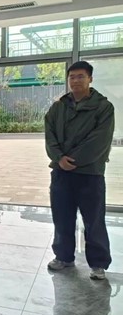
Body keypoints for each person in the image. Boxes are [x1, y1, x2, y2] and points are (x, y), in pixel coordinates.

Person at [45, 60, 114, 281]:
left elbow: (99, 140)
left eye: (81, 76)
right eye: (72, 77)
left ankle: (98, 263)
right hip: (61, 173)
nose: (75, 81)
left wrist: (71, 160)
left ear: (90, 79)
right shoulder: (58, 107)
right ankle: (63, 256)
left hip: (90, 174)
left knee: (94, 220)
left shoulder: (103, 107)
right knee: (62, 218)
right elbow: (49, 134)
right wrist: (58, 158)